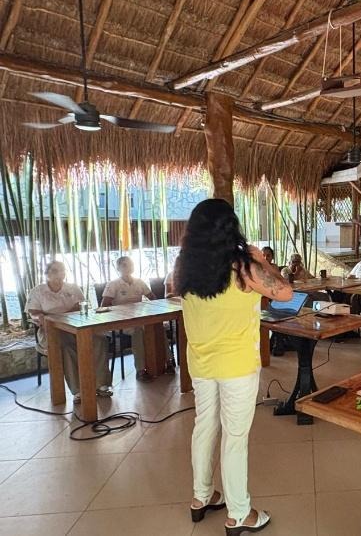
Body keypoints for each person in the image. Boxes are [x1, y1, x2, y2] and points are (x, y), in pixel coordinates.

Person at [177, 199, 292, 535]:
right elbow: (285, 293)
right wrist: (263, 261)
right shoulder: (244, 267)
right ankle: (239, 513)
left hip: (201, 362)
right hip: (237, 366)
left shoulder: (184, 264)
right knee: (235, 437)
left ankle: (201, 497)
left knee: (204, 427)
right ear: (231, 228)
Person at [26, 261, 111, 403]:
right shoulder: (38, 291)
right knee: (65, 347)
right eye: (54, 271)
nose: (59, 274)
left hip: (76, 327)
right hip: (51, 331)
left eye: (62, 270)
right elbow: (33, 312)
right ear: (46, 273)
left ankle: (101, 384)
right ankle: (78, 390)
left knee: (99, 340)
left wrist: (67, 315)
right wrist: (42, 317)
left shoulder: (73, 288)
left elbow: (82, 306)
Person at [101, 256, 156, 382]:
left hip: (139, 318)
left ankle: (168, 361)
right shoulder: (113, 284)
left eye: (130, 264)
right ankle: (141, 370)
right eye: (124, 265)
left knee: (156, 326)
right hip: (122, 322)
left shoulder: (139, 282)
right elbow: (104, 306)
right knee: (138, 330)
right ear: (118, 268)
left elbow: (153, 298)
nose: (128, 267)